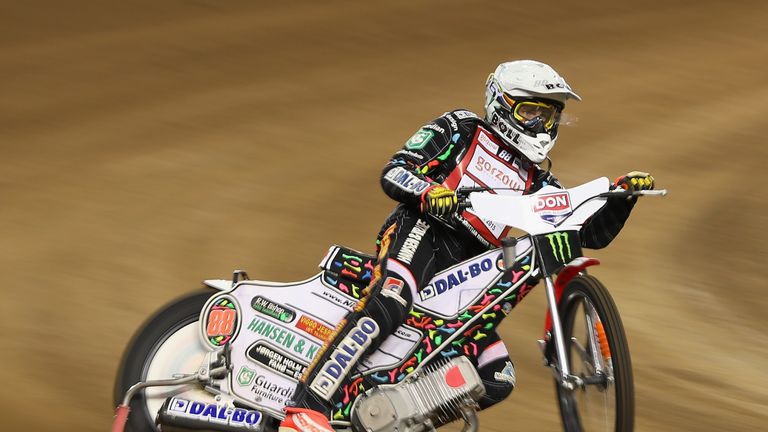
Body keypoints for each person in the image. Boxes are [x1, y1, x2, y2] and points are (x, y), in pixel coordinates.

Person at [279, 60, 655, 432]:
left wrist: (622, 198)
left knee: (497, 376)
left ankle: (387, 418)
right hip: (424, 231)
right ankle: (305, 408)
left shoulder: (540, 182)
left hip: (468, 269)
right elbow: (395, 170)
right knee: (391, 300)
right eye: (531, 112)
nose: (542, 126)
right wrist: (430, 193)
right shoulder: (461, 128)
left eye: (550, 116)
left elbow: (588, 235)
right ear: (501, 104)